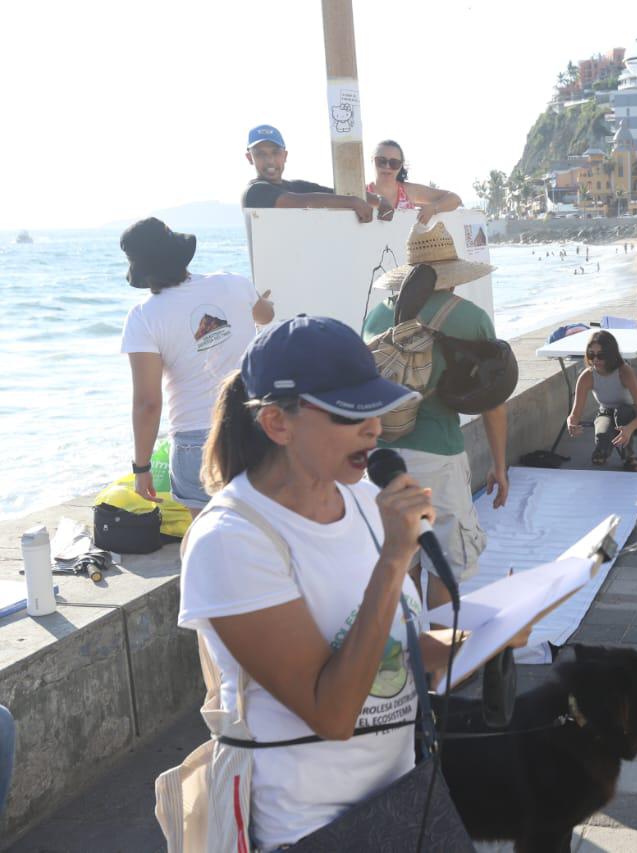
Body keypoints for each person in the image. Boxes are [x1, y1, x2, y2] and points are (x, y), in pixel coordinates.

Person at [180, 316, 522, 849]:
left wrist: (495, 630)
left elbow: (390, 652)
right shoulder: (231, 541)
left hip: (407, 795)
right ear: (277, 424)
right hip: (312, 826)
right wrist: (392, 560)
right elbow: (333, 712)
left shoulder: (363, 500)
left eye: (378, 407)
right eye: (350, 414)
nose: (375, 429)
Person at [363, 223, 509, 611]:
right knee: (445, 566)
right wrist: (499, 465)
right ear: (452, 275)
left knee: (401, 563)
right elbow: (491, 400)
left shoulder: (378, 317)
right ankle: (447, 667)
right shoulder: (470, 319)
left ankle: (412, 662)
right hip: (438, 456)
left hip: (381, 458)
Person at [120, 218, 273, 505]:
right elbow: (266, 316)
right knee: (263, 538)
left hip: (195, 444)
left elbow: (147, 404)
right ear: (179, 254)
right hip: (253, 424)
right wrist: (256, 300)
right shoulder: (233, 283)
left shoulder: (143, 317)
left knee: (208, 544)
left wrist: (141, 468)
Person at [241, 124, 391, 222]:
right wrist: (352, 202)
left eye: (275, 153)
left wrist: (377, 199)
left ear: (285, 156)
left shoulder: (296, 186)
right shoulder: (254, 192)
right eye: (260, 154)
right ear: (249, 158)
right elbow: (300, 202)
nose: (269, 160)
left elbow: (334, 193)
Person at [565, 330, 637, 471]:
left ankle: (629, 456)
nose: (595, 360)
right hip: (606, 412)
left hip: (631, 413)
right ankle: (603, 449)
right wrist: (571, 424)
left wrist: (629, 429)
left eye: (601, 355)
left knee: (622, 414)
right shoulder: (587, 376)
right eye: (591, 354)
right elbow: (575, 413)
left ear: (611, 355)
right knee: (602, 435)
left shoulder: (624, 372)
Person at [366, 139, 462, 224]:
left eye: (394, 163)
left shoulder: (410, 191)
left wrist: (433, 208)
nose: (387, 166)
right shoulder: (361, 192)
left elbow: (455, 199)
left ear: (401, 165)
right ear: (372, 161)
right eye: (381, 161)